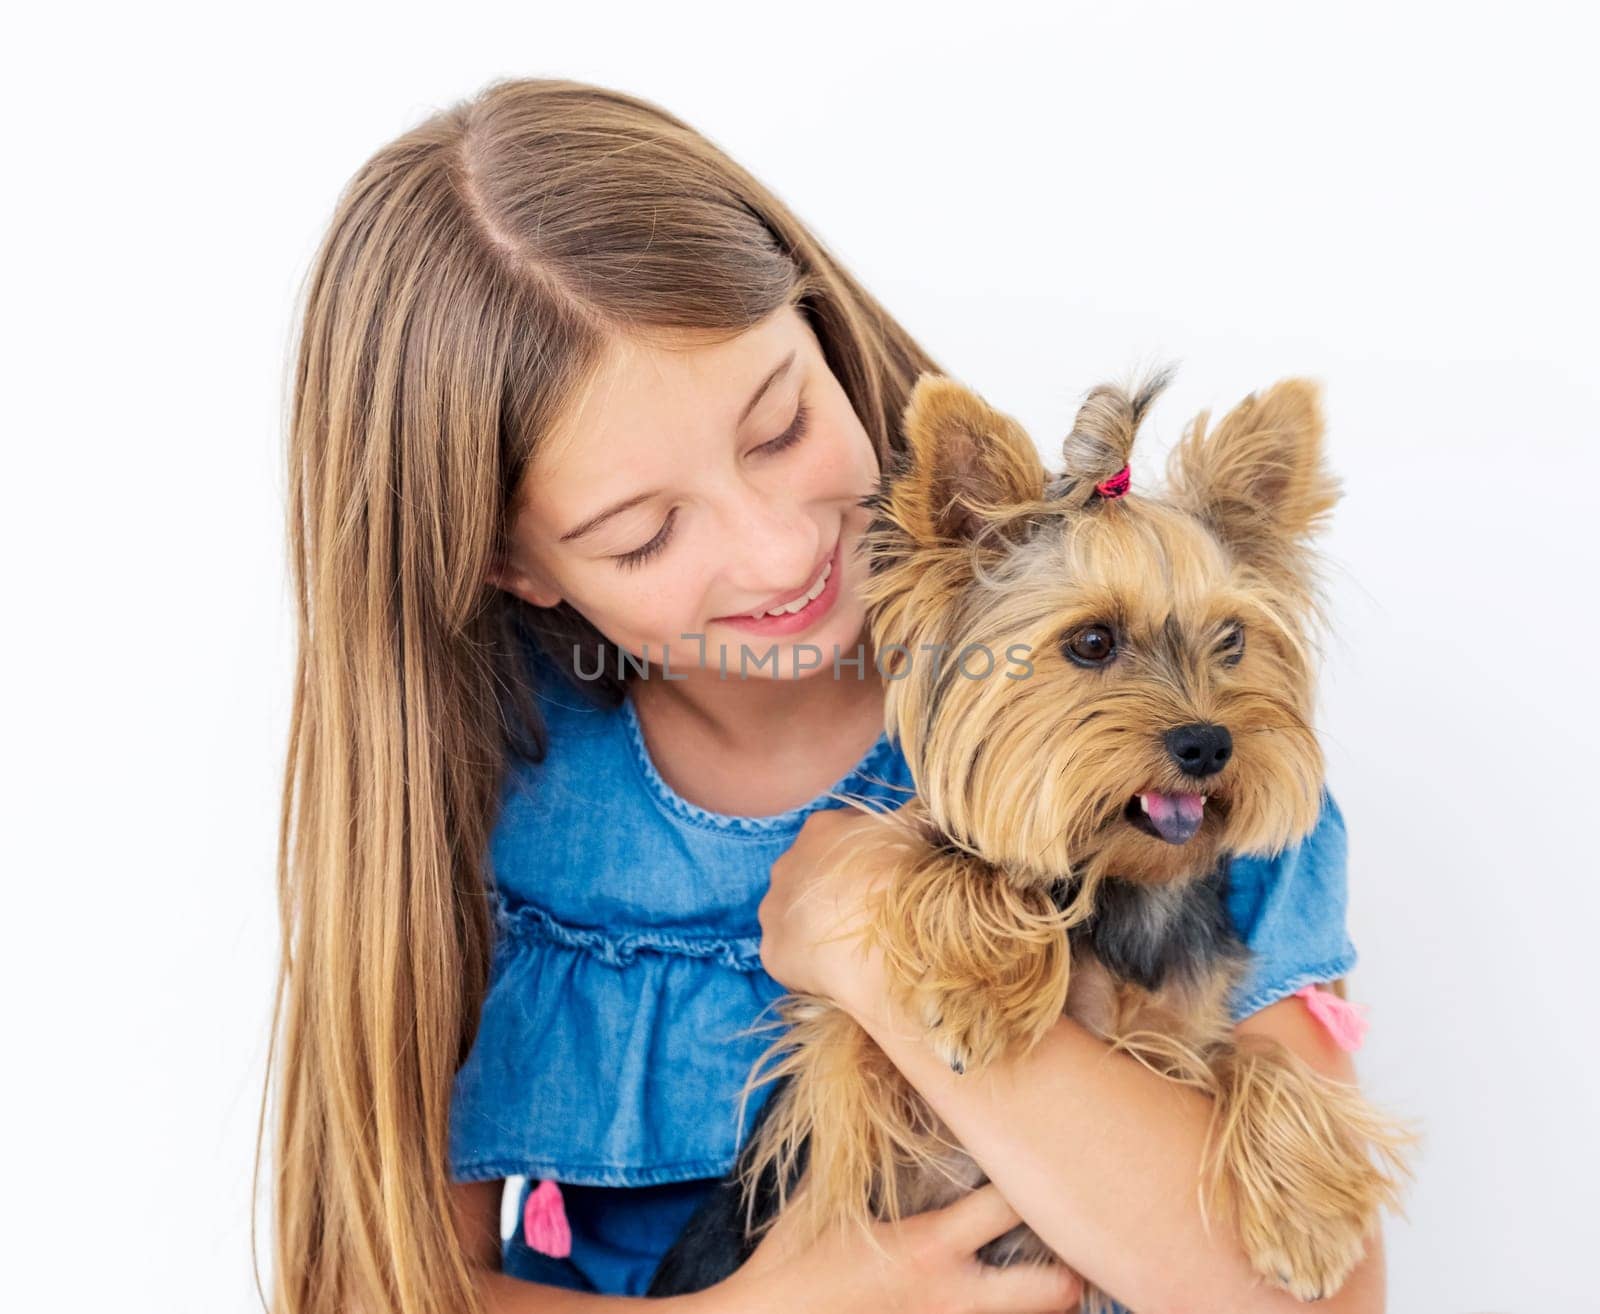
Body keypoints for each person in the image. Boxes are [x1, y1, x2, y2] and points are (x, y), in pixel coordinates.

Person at [261, 76, 1386, 1314]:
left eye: (782, 425)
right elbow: (361, 1291)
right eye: (643, 533)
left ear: (820, 324)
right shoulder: (492, 802)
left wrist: (876, 952)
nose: (781, 553)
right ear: (509, 562)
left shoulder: (1171, 753)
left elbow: (1311, 1301)